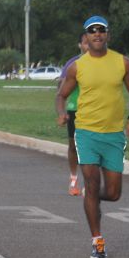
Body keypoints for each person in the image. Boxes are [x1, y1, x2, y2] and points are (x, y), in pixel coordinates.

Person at [56, 16, 129, 258]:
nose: (97, 35)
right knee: (92, 183)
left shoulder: (122, 63)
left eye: (101, 31)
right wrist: (62, 113)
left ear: (107, 35)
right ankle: (97, 240)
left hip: (113, 135)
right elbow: (61, 95)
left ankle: (89, 197)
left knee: (113, 193)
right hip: (86, 134)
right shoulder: (77, 66)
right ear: (86, 37)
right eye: (92, 31)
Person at [56, 33, 90, 196]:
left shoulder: (104, 62)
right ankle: (74, 179)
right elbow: (61, 90)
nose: (89, 45)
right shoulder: (73, 64)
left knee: (91, 146)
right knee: (73, 146)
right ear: (80, 45)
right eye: (85, 43)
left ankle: (90, 182)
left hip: (96, 110)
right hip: (75, 109)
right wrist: (61, 112)